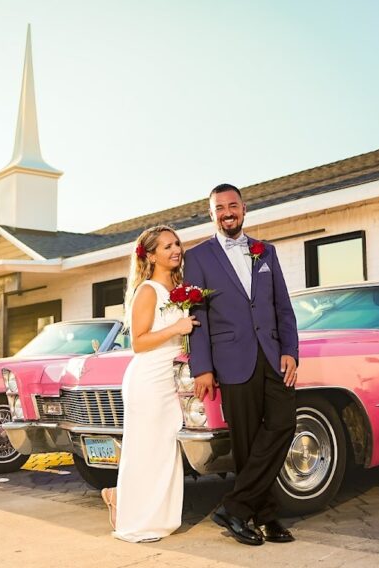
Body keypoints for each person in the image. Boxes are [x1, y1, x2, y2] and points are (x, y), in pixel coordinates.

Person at [184, 183, 299, 546]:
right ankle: (264, 516)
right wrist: (201, 367)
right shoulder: (198, 257)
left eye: (233, 205)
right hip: (231, 359)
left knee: (283, 423)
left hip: (272, 354)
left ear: (244, 209)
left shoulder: (266, 252)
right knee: (247, 442)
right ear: (212, 214)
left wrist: (291, 350)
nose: (227, 212)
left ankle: (235, 506)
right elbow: (195, 317)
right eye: (220, 208)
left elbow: (283, 306)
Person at [100, 225, 198, 542]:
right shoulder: (148, 291)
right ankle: (136, 515)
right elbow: (139, 343)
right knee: (146, 450)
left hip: (170, 380)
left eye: (177, 244)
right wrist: (177, 328)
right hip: (147, 379)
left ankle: (127, 500)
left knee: (164, 449)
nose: (175, 250)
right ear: (151, 254)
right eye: (167, 246)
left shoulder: (180, 289)